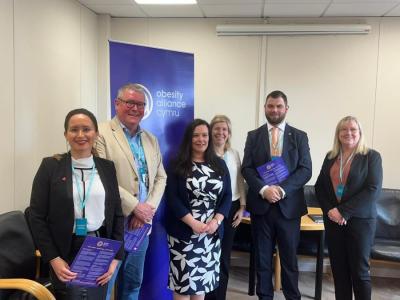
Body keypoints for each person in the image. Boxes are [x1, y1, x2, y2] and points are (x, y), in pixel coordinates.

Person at [29, 108, 124, 300]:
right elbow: (36, 217)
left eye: (86, 129)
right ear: (66, 134)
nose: (80, 135)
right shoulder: (50, 166)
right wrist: (53, 258)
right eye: (74, 129)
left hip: (99, 247)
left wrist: (115, 257)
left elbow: (117, 214)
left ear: (96, 133)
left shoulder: (107, 167)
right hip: (64, 250)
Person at [95, 83, 167, 300]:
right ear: (117, 104)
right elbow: (102, 177)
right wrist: (135, 207)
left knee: (133, 284)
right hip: (112, 224)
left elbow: (161, 177)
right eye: (130, 103)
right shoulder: (101, 134)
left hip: (141, 228)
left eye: (140, 104)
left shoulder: (151, 139)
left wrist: (147, 210)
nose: (136, 108)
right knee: (105, 286)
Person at [242, 90, 312, 300]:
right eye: (271, 106)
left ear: (286, 109)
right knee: (262, 259)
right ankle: (265, 297)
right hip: (261, 207)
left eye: (279, 106)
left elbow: (305, 169)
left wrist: (281, 190)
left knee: (290, 260)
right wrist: (264, 190)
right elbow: (247, 169)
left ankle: (293, 297)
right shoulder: (253, 136)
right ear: (265, 108)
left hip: (288, 207)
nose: (274, 110)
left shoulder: (299, 136)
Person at [315, 116, 382, 300]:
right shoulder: (331, 157)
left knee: (360, 272)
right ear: (338, 134)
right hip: (334, 221)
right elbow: (320, 187)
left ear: (360, 133)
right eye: (343, 129)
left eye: (353, 129)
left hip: (360, 222)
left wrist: (343, 211)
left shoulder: (371, 156)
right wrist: (331, 210)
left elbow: (373, 190)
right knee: (339, 271)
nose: (348, 133)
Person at [165, 119, 232, 300]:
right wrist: (193, 223)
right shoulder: (177, 164)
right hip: (184, 233)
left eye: (204, 135)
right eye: (196, 135)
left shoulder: (219, 164)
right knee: (183, 286)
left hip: (210, 234)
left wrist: (216, 221)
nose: (201, 139)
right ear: (189, 138)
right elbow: (172, 198)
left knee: (201, 286)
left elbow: (227, 196)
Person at [205, 115, 246, 300]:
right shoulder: (203, 154)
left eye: (224, 129)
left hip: (231, 208)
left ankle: (219, 297)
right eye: (217, 129)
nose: (221, 133)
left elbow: (239, 181)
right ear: (211, 131)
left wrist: (242, 206)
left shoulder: (234, 154)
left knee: (223, 257)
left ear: (229, 133)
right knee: (207, 256)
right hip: (208, 209)